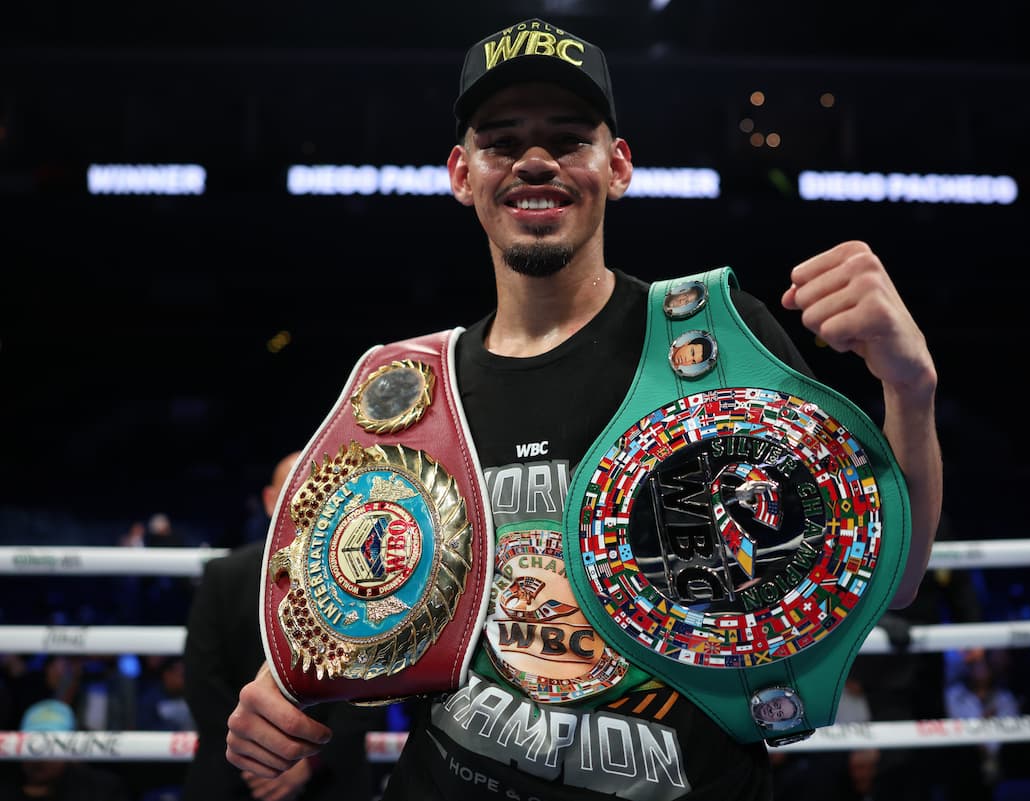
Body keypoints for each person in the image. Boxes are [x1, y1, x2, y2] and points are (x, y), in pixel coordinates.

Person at [225, 17, 943, 800]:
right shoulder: (410, 391)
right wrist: (280, 692)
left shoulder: (715, 342)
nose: (536, 160)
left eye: (568, 138)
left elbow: (892, 577)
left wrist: (912, 387)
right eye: (502, 141)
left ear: (619, 165)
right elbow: (349, 612)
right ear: (463, 175)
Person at [182, 451, 387, 801]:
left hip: (330, 775)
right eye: (292, 489)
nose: (304, 500)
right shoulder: (224, 575)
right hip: (236, 774)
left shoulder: (367, 579)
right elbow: (202, 680)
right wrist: (258, 754)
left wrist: (310, 761)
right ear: (268, 500)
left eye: (314, 489)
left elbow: (373, 683)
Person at [0, 699, 129, 801]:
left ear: (71, 749)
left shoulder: (102, 790)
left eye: (52, 746)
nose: (38, 757)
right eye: (31, 746)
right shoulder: (6, 789)